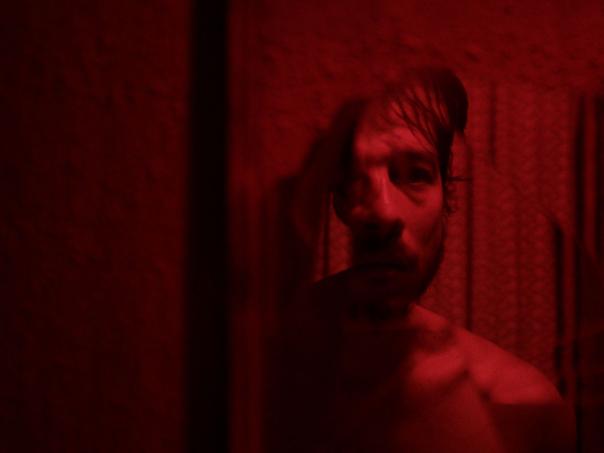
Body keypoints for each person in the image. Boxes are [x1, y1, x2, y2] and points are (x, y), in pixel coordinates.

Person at [266, 67, 576, 452]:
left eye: (415, 174)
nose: (384, 211)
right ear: (339, 198)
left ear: (445, 194)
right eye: (358, 178)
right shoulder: (262, 372)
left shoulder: (520, 406)